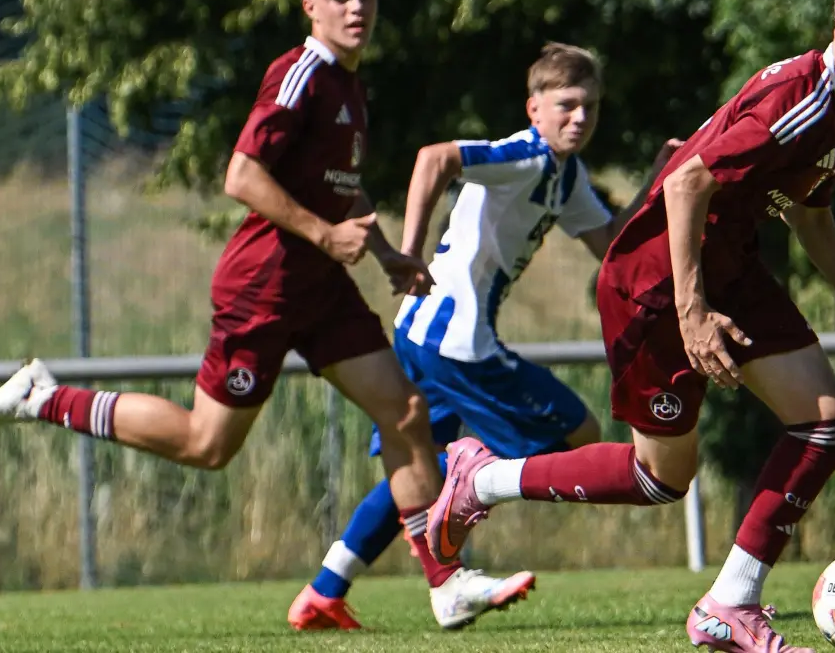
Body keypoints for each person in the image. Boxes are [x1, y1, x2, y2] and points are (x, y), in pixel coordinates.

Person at [0, 0, 524, 630]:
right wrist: (322, 234)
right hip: (264, 287)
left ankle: (446, 584)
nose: (357, 9)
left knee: (405, 413)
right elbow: (241, 175)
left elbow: (341, 190)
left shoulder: (351, 86)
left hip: (319, 290)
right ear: (310, 6)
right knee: (208, 445)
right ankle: (46, 398)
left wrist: (383, 254)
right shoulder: (302, 74)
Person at [422, 0, 835, 653]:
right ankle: (482, 479)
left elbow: (809, 214)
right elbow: (686, 183)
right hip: (657, 277)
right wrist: (691, 311)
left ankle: (729, 605)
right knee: (657, 477)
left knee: (827, 426)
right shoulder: (799, 100)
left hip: (731, 263)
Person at [288, 42, 681, 629]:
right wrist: (409, 254)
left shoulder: (565, 175)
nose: (580, 118)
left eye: (591, 108)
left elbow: (613, 251)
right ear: (534, 109)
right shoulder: (523, 155)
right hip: (455, 342)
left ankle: (324, 590)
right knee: (577, 433)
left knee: (420, 466)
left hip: (424, 336)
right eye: (567, 105)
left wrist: (657, 180)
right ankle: (473, 491)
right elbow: (433, 158)